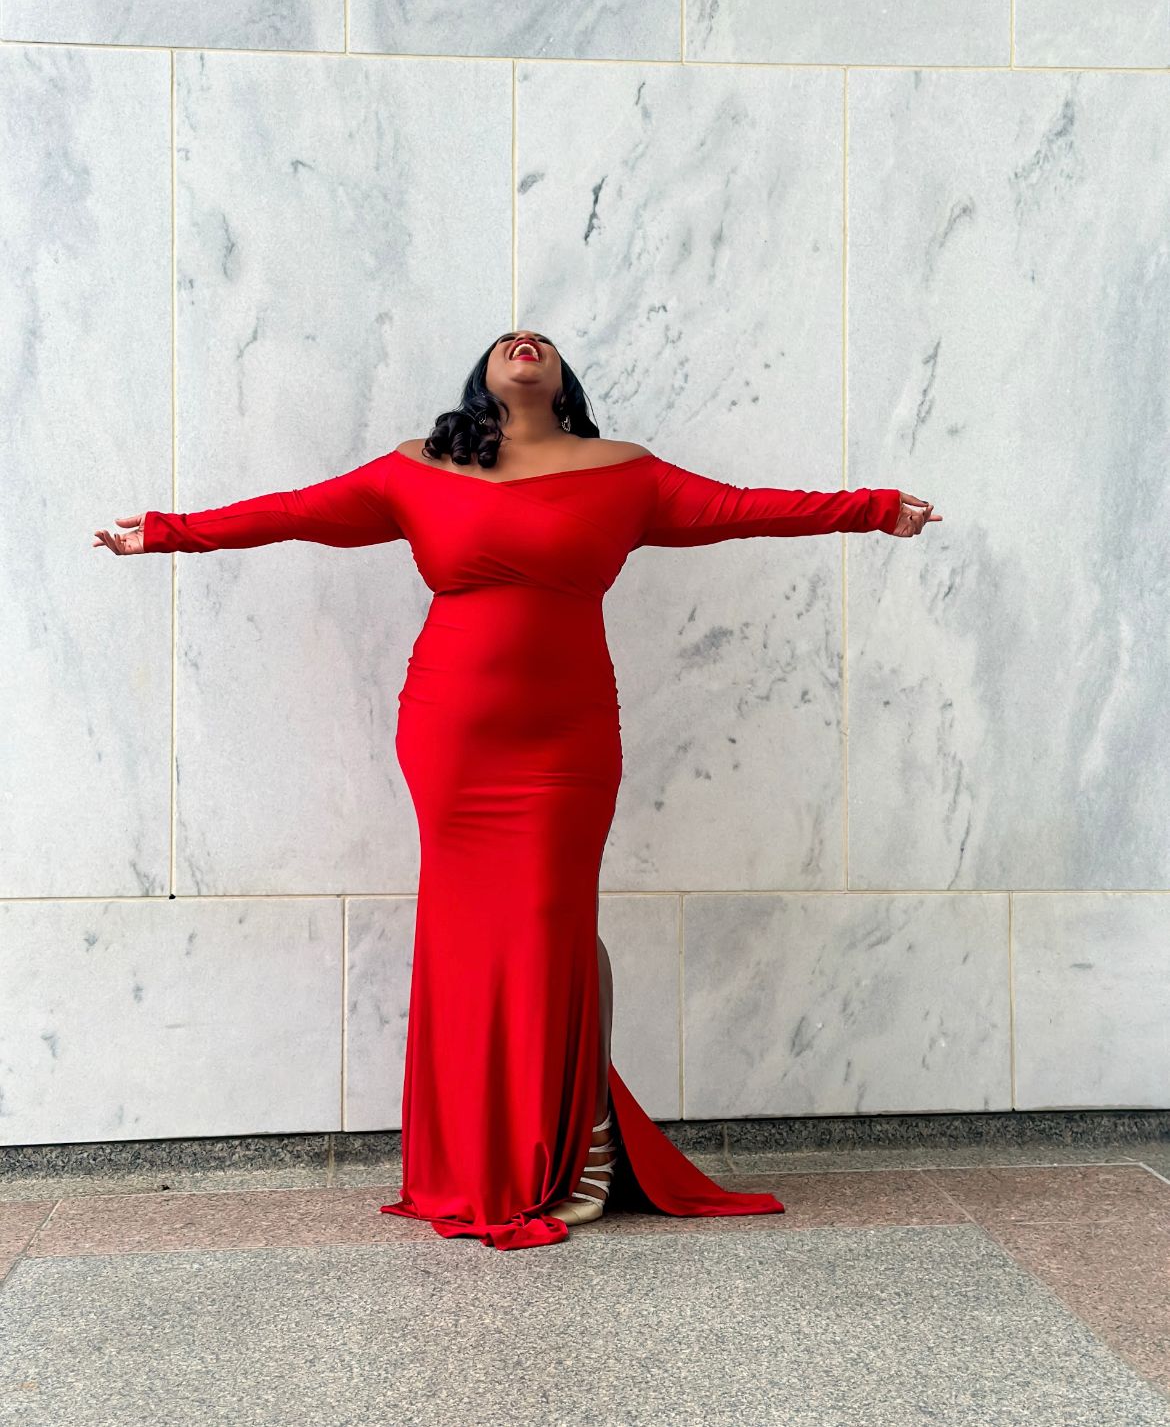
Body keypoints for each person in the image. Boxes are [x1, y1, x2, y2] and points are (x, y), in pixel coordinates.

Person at [95, 328, 941, 1251]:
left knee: (551, 923)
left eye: (539, 340)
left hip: (566, 740)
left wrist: (873, 509)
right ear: (482, 378)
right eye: (506, 340)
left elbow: (748, 509)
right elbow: (294, 512)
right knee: (466, 936)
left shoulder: (627, 474)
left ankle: (578, 1142)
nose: (524, 341)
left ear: (564, 379)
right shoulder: (419, 469)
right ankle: (494, 1155)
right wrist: (164, 532)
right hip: (453, 733)